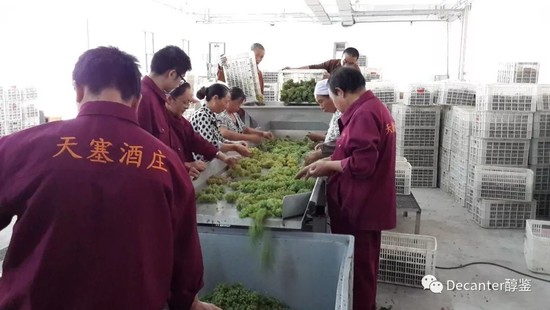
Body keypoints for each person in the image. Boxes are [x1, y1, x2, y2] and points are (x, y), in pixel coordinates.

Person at [0, 47, 220, 310]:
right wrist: (188, 302)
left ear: (79, 90)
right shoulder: (166, 163)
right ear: (137, 101)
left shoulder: (21, 147)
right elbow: (184, 253)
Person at [296, 67, 397, 310]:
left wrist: (328, 164)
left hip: (362, 205)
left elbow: (362, 163)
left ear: (340, 92)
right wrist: (326, 161)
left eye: (331, 99)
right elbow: (353, 151)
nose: (334, 105)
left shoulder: (363, 114)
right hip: (369, 202)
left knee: (360, 267)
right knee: (365, 263)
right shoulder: (374, 108)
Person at [166, 82, 240, 178]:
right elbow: (163, 156)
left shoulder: (183, 122)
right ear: (169, 99)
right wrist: (185, 165)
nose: (187, 106)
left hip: (189, 172)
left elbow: (200, 142)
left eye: (189, 102)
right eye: (184, 102)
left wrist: (224, 157)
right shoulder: (202, 115)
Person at [192, 83, 252, 160]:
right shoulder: (202, 116)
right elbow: (210, 146)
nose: (226, 105)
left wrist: (236, 143)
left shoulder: (211, 115)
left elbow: (219, 140)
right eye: (226, 102)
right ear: (215, 98)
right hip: (203, 165)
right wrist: (235, 147)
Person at [304, 79, 342, 165]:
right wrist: (325, 144)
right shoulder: (337, 113)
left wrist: (322, 152)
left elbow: (346, 143)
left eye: (321, 101)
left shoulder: (344, 114)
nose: (321, 106)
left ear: (331, 96)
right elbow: (337, 137)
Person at [283, 47, 360, 76]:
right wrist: (293, 69)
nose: (346, 65)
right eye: (345, 61)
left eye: (351, 64)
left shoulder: (356, 72)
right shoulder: (332, 63)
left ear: (355, 62)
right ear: (341, 57)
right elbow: (313, 67)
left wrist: (330, 78)